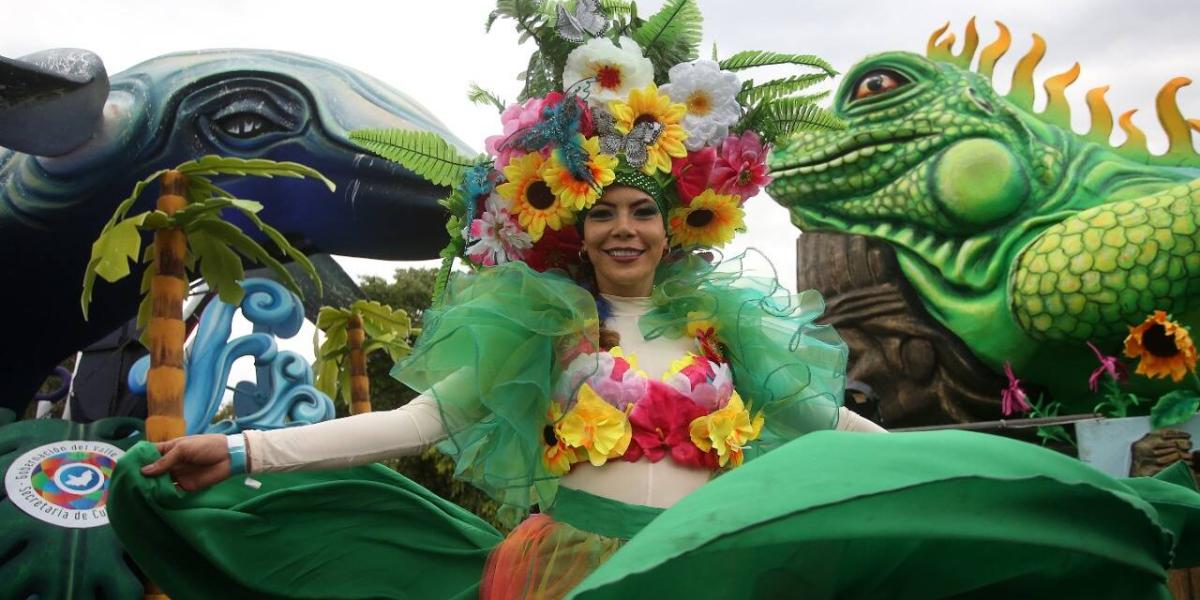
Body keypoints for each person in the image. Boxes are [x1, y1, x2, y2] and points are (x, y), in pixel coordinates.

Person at [108, 6, 1200, 598]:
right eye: (603, 215)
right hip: (573, 568)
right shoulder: (538, 320)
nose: (625, 230)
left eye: (645, 211)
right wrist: (238, 454)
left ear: (680, 220)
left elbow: (841, 432)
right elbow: (413, 427)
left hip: (725, 571)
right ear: (571, 225)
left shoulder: (729, 326)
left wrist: (984, 469)